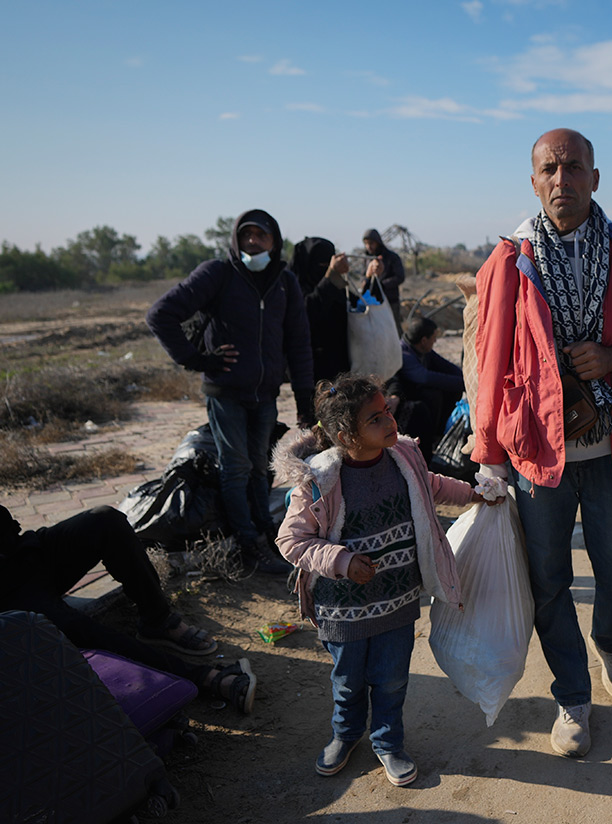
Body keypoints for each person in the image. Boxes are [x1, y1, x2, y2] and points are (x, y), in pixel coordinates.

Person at [472, 127, 612, 758]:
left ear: (596, 178)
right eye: (549, 168)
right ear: (534, 179)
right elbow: (488, 361)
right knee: (547, 579)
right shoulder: (509, 262)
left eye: (574, 168)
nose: (561, 180)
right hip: (536, 458)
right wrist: (488, 453)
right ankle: (572, 695)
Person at [274, 374, 494, 786]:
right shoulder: (319, 481)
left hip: (397, 602)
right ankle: (346, 734)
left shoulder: (403, 458)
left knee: (393, 678)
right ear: (345, 435)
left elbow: (431, 488)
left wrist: (474, 494)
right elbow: (291, 541)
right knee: (348, 681)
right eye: (376, 419)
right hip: (343, 611)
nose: (390, 422)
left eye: (387, 411)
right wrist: (341, 559)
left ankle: (388, 741)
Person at [147, 209, 313, 575]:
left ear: (275, 241)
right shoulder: (217, 274)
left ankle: (266, 534)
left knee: (260, 468)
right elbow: (160, 314)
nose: (253, 242)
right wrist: (197, 359)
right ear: (235, 240)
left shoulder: (285, 282)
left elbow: (299, 343)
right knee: (236, 468)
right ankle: (247, 542)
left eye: (261, 236)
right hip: (225, 392)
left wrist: (304, 401)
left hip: (265, 394)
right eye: (246, 236)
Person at [0, 504, 255, 713]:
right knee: (72, 626)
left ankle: (158, 621)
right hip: (8, 596)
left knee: (104, 520)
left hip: (21, 552)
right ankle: (202, 678)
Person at [382, 316, 465, 463]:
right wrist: (463, 382)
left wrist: (465, 379)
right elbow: (424, 377)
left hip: (417, 394)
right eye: (433, 338)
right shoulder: (404, 354)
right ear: (424, 341)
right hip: (404, 398)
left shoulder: (422, 350)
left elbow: (447, 368)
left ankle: (439, 434)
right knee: (433, 396)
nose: (435, 342)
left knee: (451, 389)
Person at [290, 236, 353, 383]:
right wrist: (329, 277)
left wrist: (371, 278)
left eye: (327, 264)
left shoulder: (335, 285)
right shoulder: (293, 287)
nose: (324, 268)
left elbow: (357, 308)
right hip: (309, 369)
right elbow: (307, 311)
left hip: (340, 369)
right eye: (320, 264)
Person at [361, 228, 406, 320]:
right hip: (372, 300)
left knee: (393, 327)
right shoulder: (366, 258)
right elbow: (363, 276)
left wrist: (381, 285)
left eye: (371, 243)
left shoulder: (391, 257)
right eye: (366, 244)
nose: (368, 246)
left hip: (390, 299)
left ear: (378, 243)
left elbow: (399, 277)